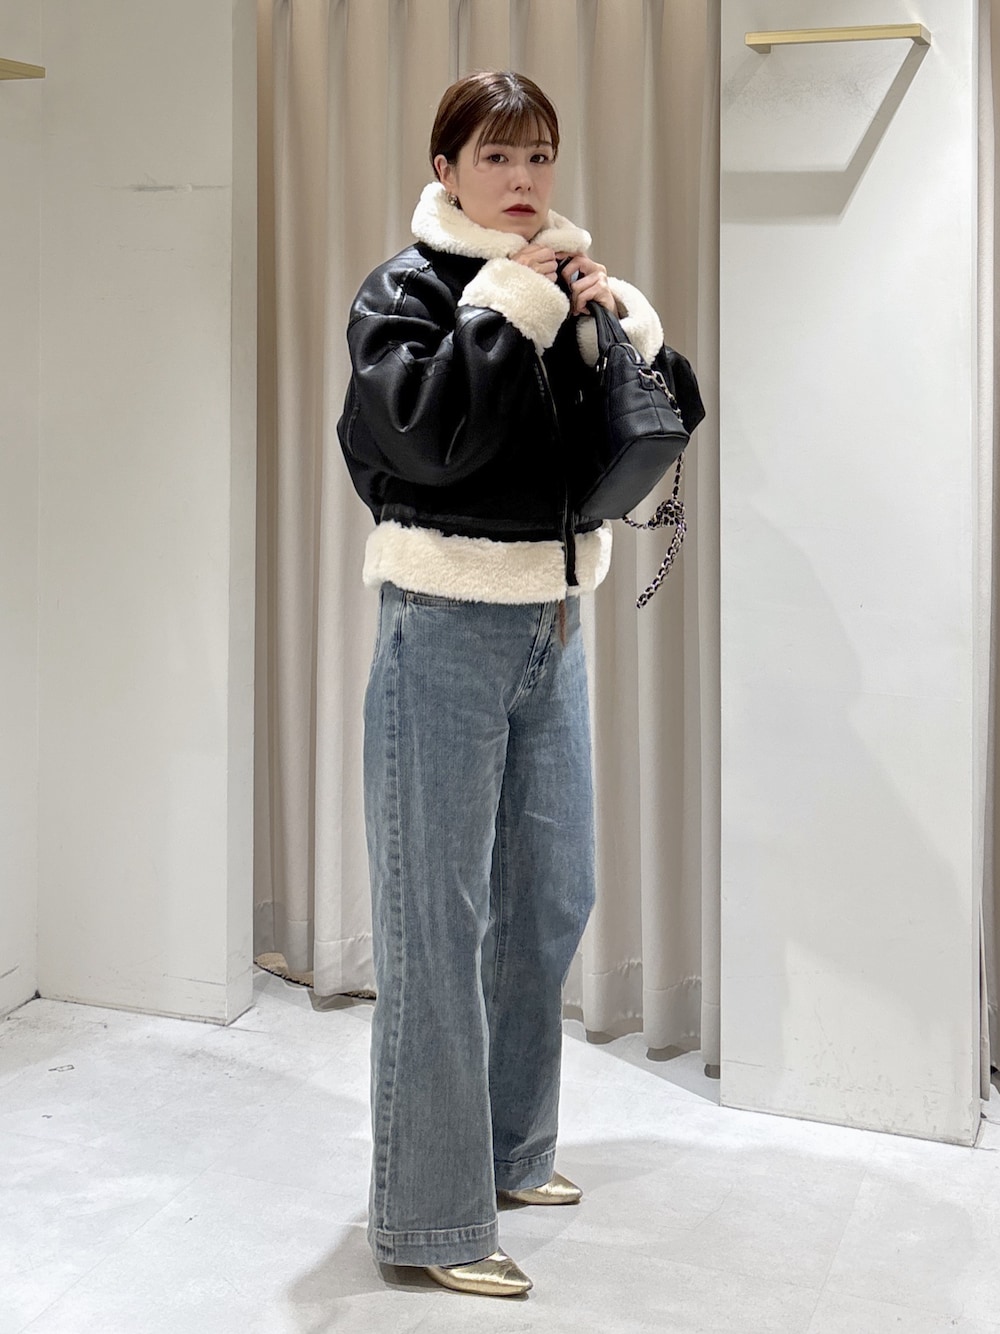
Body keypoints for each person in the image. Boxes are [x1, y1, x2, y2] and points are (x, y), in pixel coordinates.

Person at [337, 70, 670, 1298]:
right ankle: (429, 1217)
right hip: (442, 623)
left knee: (549, 896)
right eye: (495, 158)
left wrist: (618, 326)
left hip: (552, 620)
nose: (522, 180)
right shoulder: (407, 292)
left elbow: (640, 438)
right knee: (436, 924)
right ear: (446, 170)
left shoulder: (561, 278)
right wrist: (509, 314)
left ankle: (513, 1150)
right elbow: (426, 438)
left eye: (537, 157)